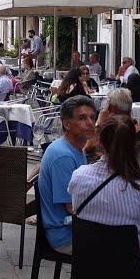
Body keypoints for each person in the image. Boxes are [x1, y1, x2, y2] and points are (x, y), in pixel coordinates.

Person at [68, 115, 140, 279]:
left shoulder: (78, 176)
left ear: (100, 142)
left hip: (89, 266)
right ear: (135, 146)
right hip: (133, 270)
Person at [38, 96, 96, 255]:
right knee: (126, 244)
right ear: (67, 124)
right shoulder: (63, 156)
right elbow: (72, 207)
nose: (90, 123)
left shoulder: (76, 149)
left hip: (74, 227)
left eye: (92, 117)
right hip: (65, 235)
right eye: (82, 118)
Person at [83, 88, 140, 162]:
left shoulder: (112, 128)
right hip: (127, 167)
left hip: (105, 166)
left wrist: (99, 122)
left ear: (112, 107)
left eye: (107, 103)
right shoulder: (136, 126)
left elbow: (87, 148)